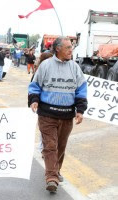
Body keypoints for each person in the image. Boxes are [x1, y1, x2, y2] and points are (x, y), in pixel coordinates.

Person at [28, 36, 88, 193]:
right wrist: (34, 100)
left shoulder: (75, 68)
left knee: (60, 147)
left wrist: (80, 110)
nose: (71, 50)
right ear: (58, 49)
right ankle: (51, 178)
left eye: (71, 47)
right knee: (50, 146)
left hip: (67, 116)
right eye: (68, 47)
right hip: (47, 115)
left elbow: (81, 90)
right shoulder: (46, 65)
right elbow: (34, 86)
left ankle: (55, 170)